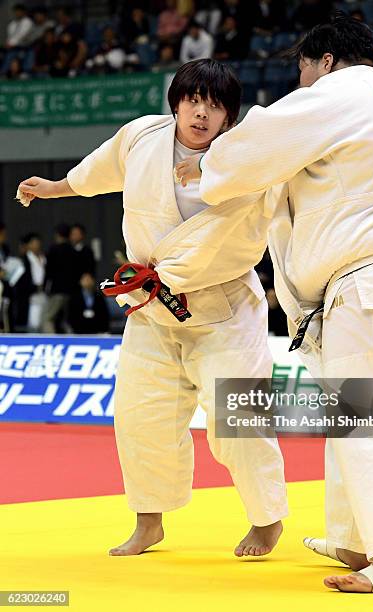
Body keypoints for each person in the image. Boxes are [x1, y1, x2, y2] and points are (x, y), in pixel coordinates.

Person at [176, 14, 373, 593]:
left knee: (369, 421)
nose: (301, 83)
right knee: (359, 413)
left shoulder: (338, 94)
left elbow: (255, 143)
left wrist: (205, 166)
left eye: (302, 69)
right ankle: (353, 537)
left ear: (326, 62)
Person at [17, 59, 288, 558]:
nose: (201, 113)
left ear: (231, 116)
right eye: (192, 100)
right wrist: (53, 188)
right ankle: (148, 522)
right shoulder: (142, 136)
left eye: (215, 105)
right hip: (150, 305)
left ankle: (267, 518)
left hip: (224, 308)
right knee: (142, 417)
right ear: (176, 102)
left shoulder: (250, 155)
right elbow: (96, 172)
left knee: (239, 421)